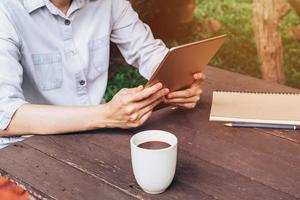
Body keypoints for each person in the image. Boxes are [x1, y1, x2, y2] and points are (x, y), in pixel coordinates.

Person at [0, 0, 204, 148]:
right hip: (30, 148)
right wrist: (106, 115)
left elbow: (148, 51)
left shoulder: (109, 3)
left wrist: (179, 79)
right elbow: (3, 116)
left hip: (97, 137)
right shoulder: (6, 11)